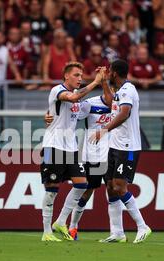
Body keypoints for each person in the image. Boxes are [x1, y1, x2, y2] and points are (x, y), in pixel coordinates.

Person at [39, 62, 105, 242]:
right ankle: (46, 232)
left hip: (71, 148)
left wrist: (48, 114)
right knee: (52, 190)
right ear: (66, 76)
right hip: (53, 146)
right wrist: (95, 82)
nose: (80, 79)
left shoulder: (76, 98)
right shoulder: (57, 90)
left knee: (82, 184)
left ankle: (60, 221)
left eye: (81, 75)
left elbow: (62, 108)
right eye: (76, 75)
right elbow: (71, 98)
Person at [89, 59, 151, 244]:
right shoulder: (118, 91)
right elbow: (110, 103)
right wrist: (103, 82)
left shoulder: (128, 90)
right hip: (115, 146)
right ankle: (117, 233)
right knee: (109, 186)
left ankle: (142, 226)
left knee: (119, 186)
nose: (107, 73)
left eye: (109, 72)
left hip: (128, 147)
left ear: (115, 73)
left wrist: (104, 130)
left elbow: (124, 114)